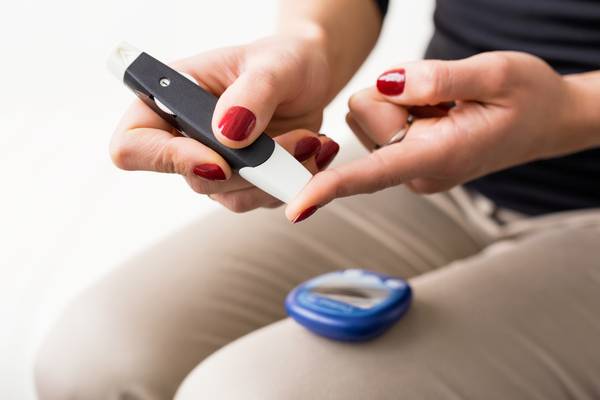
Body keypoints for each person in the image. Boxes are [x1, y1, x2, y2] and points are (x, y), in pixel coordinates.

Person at [36, 0, 600, 399]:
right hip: (426, 146)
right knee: (94, 359)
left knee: (249, 392)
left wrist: (570, 113)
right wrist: (309, 44)